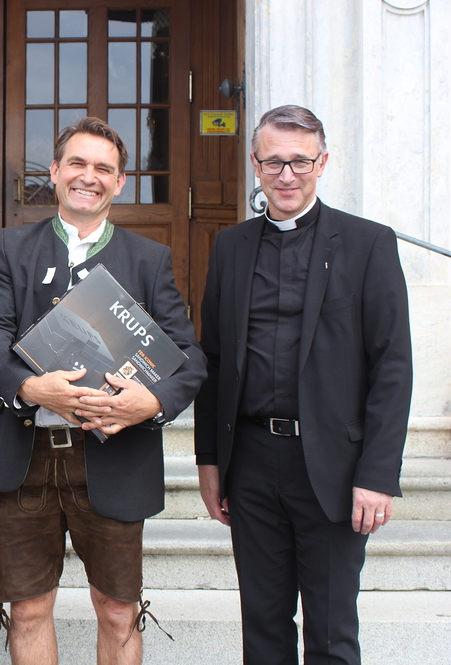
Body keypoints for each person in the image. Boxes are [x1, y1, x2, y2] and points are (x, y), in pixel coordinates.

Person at [0, 117, 206, 665]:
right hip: (25, 457)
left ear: (119, 182)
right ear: (55, 172)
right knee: (27, 610)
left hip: (114, 459)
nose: (88, 177)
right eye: (77, 163)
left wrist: (153, 402)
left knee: (118, 610)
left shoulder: (149, 258)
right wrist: (30, 387)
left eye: (104, 168)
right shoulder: (12, 247)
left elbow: (189, 358)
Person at [194, 105, 412, 664]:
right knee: (262, 626)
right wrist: (209, 461)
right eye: (274, 162)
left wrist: (378, 475)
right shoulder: (231, 247)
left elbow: (392, 367)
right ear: (255, 164)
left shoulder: (368, 243)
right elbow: (213, 361)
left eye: (300, 162)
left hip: (335, 467)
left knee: (332, 630)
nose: (287, 175)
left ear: (323, 163)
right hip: (251, 462)